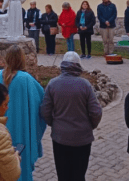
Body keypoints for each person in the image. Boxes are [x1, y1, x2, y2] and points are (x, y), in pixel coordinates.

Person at [41, 52, 102, 181]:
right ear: (79, 66)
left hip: (60, 138)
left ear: (62, 65)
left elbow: (45, 110)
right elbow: (96, 111)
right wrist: (90, 126)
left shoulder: (53, 84)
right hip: (82, 138)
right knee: (79, 175)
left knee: (63, 175)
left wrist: (55, 124)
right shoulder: (85, 85)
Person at [0, 45, 46, 181]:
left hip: (1, 130)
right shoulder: (25, 79)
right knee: (20, 168)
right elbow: (42, 100)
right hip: (21, 131)